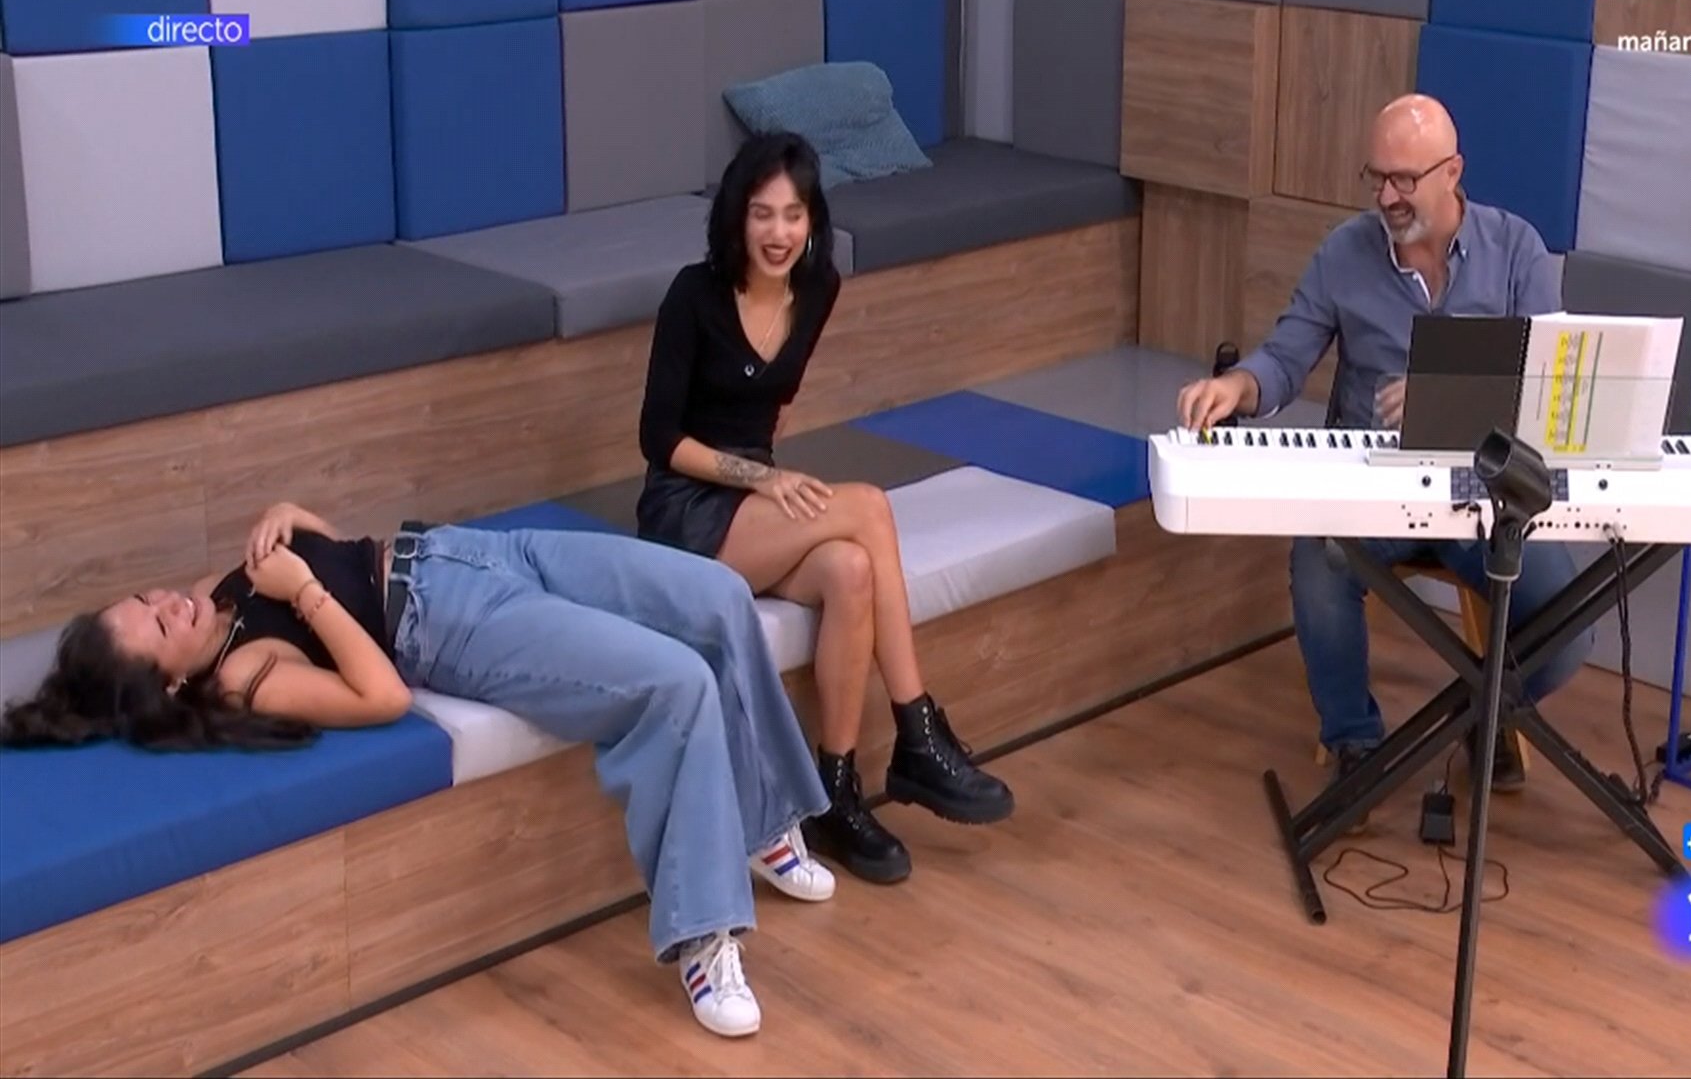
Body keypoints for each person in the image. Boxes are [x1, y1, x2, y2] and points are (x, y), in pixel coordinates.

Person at [0, 501, 839, 1040]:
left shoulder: (209, 599)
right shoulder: (243, 675)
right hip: (451, 626)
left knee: (720, 596)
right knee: (676, 682)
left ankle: (762, 819)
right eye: (156, 627)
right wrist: (303, 588)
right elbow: (380, 695)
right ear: (170, 685)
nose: (167, 604)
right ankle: (700, 935)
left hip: (470, 552)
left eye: (144, 600)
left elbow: (334, 548)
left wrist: (291, 515)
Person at [1176, 94, 1595, 800]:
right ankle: (1357, 746)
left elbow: (1550, 384)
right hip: (1369, 485)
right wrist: (1238, 385)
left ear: (1452, 172)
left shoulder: (1516, 248)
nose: (1386, 197)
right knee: (1320, 565)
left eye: (1404, 180)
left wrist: (1452, 401)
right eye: (1377, 178)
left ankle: (1484, 715)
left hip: (1483, 490)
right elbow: (1285, 357)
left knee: (1570, 624)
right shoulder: (1344, 252)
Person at [634, 131, 1013, 885]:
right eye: (763, 214)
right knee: (867, 507)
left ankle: (832, 794)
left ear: (812, 220)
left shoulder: (818, 289)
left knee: (849, 571)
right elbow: (658, 438)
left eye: (794, 214)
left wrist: (770, 482)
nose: (779, 233)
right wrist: (760, 479)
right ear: (737, 218)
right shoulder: (694, 295)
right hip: (686, 510)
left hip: (757, 507)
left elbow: (769, 406)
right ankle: (917, 730)